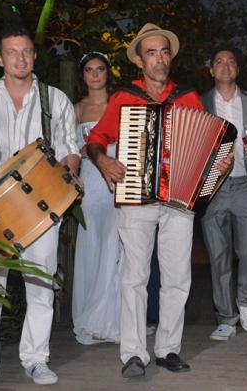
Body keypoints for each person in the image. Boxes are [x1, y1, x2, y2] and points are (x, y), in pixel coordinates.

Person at [86, 23, 232, 378]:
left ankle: (168, 348)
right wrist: (102, 159)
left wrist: (220, 164)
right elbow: (96, 138)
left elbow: (207, 145)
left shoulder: (188, 97)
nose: (159, 59)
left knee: (178, 278)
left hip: (178, 202)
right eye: (151, 52)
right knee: (134, 277)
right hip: (137, 198)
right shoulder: (124, 97)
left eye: (164, 51)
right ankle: (133, 354)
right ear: (139, 60)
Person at [0, 25, 80, 391]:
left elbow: (70, 149)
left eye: (26, 51)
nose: (20, 58)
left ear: (34, 55)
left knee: (41, 285)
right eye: (12, 52)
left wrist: (69, 175)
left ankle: (35, 359)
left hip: (42, 207)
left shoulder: (54, 99)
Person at [200, 47, 247, 340]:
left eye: (231, 61)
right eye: (219, 61)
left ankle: (245, 300)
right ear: (211, 70)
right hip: (212, 187)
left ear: (237, 69)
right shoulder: (199, 103)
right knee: (218, 256)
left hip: (245, 184)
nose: (225, 66)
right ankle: (227, 317)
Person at [72, 51, 122, 345]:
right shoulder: (77, 109)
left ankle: (112, 319)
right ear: (83, 75)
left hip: (117, 180)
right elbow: (67, 146)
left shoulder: (119, 103)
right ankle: (89, 318)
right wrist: (81, 153)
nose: (94, 74)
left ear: (107, 73)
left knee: (116, 250)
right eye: (89, 69)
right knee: (93, 248)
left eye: (100, 69)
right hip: (90, 184)